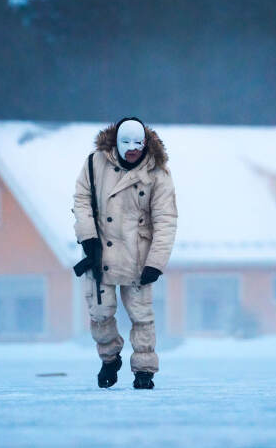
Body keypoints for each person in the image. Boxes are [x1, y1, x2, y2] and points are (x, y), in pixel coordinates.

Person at [72, 117, 178, 389]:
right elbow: (81, 201)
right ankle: (109, 359)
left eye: (137, 143)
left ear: (145, 143)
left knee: (142, 316)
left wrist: (156, 262)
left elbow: (166, 220)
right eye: (126, 142)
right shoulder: (94, 163)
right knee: (100, 312)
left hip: (138, 256)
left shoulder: (158, 173)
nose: (132, 148)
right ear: (116, 143)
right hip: (100, 253)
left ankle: (144, 371)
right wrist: (88, 237)